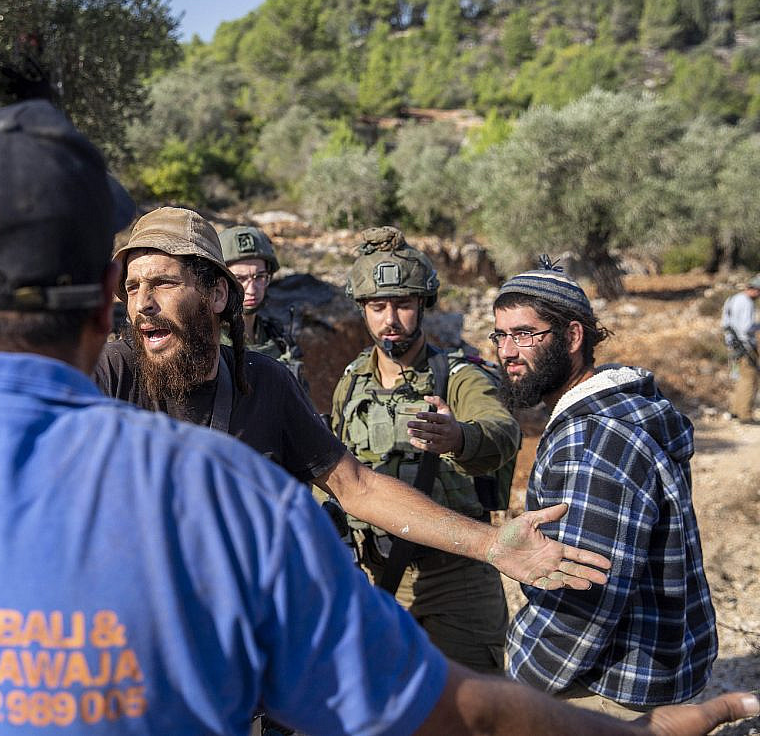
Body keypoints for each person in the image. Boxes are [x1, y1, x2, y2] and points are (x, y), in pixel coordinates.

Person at [0, 99, 757, 736]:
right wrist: (640, 735)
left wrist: (493, 536)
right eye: (138, 282)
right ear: (108, 301)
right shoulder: (224, 501)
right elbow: (455, 717)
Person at [96, 206, 604, 591]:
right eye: (133, 287)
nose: (142, 304)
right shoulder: (111, 372)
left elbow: (356, 485)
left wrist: (491, 543)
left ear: (216, 296)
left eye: (163, 283)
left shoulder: (266, 382)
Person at [493, 260, 718, 717]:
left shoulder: (593, 438)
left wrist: (521, 678)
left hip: (610, 690)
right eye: (500, 335)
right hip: (644, 676)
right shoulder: (619, 413)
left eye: (525, 334)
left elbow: (587, 594)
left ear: (574, 338)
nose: (508, 351)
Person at [328, 226, 519, 674]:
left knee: (473, 710)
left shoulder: (459, 375)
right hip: (377, 577)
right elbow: (333, 465)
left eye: (403, 305)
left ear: (423, 306)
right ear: (363, 310)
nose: (390, 318)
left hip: (456, 576)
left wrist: (458, 438)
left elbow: (502, 431)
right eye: (378, 306)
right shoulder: (352, 381)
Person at [218, 225, 303, 382]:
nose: (251, 289)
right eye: (240, 279)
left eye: (259, 277)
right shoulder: (211, 343)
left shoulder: (277, 337)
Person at [721, 274, 760, 423]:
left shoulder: (732, 299)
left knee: (740, 378)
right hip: (744, 346)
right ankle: (745, 414)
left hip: (733, 345)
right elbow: (746, 327)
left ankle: (735, 410)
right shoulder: (747, 302)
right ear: (755, 289)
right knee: (749, 379)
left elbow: (725, 323)